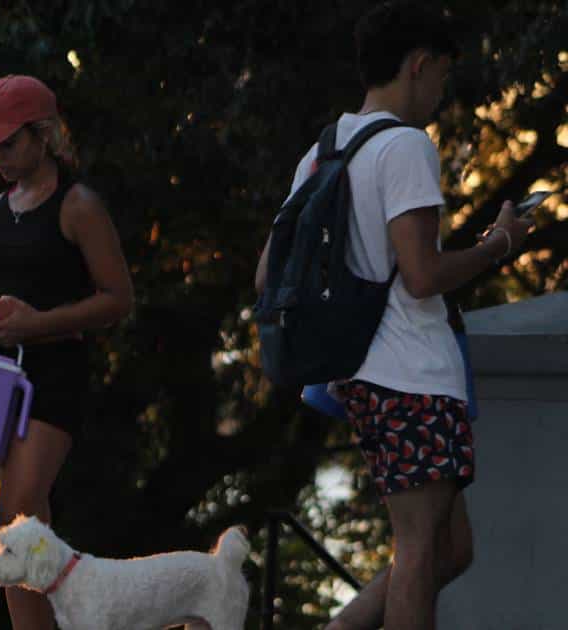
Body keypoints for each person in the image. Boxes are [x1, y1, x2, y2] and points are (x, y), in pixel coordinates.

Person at [254, 4, 534, 628]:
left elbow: (264, 276)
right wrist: (500, 244)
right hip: (410, 374)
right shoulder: (404, 145)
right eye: (441, 80)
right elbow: (423, 274)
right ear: (420, 65)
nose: (440, 95)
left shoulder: (322, 151)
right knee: (417, 551)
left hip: (359, 376)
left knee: (451, 549)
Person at [0, 74, 134, 630]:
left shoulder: (78, 205)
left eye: (7, 143)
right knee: (15, 530)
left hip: (54, 374)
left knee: (16, 516)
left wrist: (38, 326)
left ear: (44, 135)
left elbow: (117, 299)